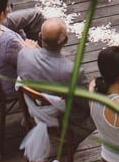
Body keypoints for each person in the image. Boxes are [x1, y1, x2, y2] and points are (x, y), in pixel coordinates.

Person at [17, 18, 95, 147]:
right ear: (65, 40)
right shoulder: (71, 71)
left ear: (40, 36)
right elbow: (86, 104)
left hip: (33, 107)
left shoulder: (24, 54)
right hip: (62, 119)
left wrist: (35, 49)